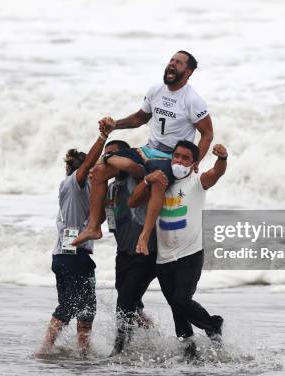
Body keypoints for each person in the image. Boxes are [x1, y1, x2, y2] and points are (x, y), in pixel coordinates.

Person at [74, 50, 214, 248]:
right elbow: (140, 118)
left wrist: (195, 162)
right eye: (171, 60)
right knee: (98, 171)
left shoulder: (193, 100)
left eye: (179, 63)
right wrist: (115, 125)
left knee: (155, 179)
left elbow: (207, 134)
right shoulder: (156, 90)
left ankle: (144, 236)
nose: (172, 64)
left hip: (169, 158)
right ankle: (94, 227)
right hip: (147, 150)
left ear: (189, 72)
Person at [129, 140, 228, 357]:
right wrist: (148, 179)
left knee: (180, 300)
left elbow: (216, 173)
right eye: (176, 156)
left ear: (194, 164)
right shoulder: (161, 182)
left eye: (185, 158)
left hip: (190, 255)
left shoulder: (197, 182)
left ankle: (213, 324)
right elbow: (133, 202)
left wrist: (222, 158)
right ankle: (189, 352)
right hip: (164, 258)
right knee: (177, 310)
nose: (179, 161)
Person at [34, 125, 112, 359]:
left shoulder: (88, 190)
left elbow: (100, 219)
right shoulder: (71, 184)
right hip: (71, 255)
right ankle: (56, 350)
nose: (91, 172)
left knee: (75, 307)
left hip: (69, 255)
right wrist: (103, 137)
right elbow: (88, 164)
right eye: (88, 170)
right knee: (77, 307)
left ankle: (68, 350)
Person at [100, 140, 159, 355]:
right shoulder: (110, 187)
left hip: (144, 253)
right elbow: (109, 220)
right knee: (131, 303)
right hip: (123, 254)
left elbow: (132, 166)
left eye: (114, 155)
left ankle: (119, 351)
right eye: (106, 155)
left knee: (124, 303)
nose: (109, 160)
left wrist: (106, 158)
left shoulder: (138, 177)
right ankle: (153, 338)